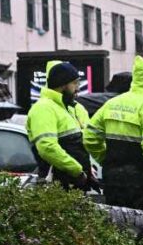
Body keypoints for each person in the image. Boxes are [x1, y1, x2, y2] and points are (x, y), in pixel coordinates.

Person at [84, 56, 143, 210]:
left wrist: (105, 159)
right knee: (141, 226)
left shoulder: (112, 103)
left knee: (117, 226)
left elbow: (89, 136)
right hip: (140, 180)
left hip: (112, 178)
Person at [26, 61, 93, 190]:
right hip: (57, 186)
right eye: (74, 83)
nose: (78, 88)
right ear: (62, 84)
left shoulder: (70, 108)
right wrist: (77, 171)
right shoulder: (43, 108)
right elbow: (47, 147)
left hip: (75, 182)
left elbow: (80, 146)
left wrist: (88, 170)